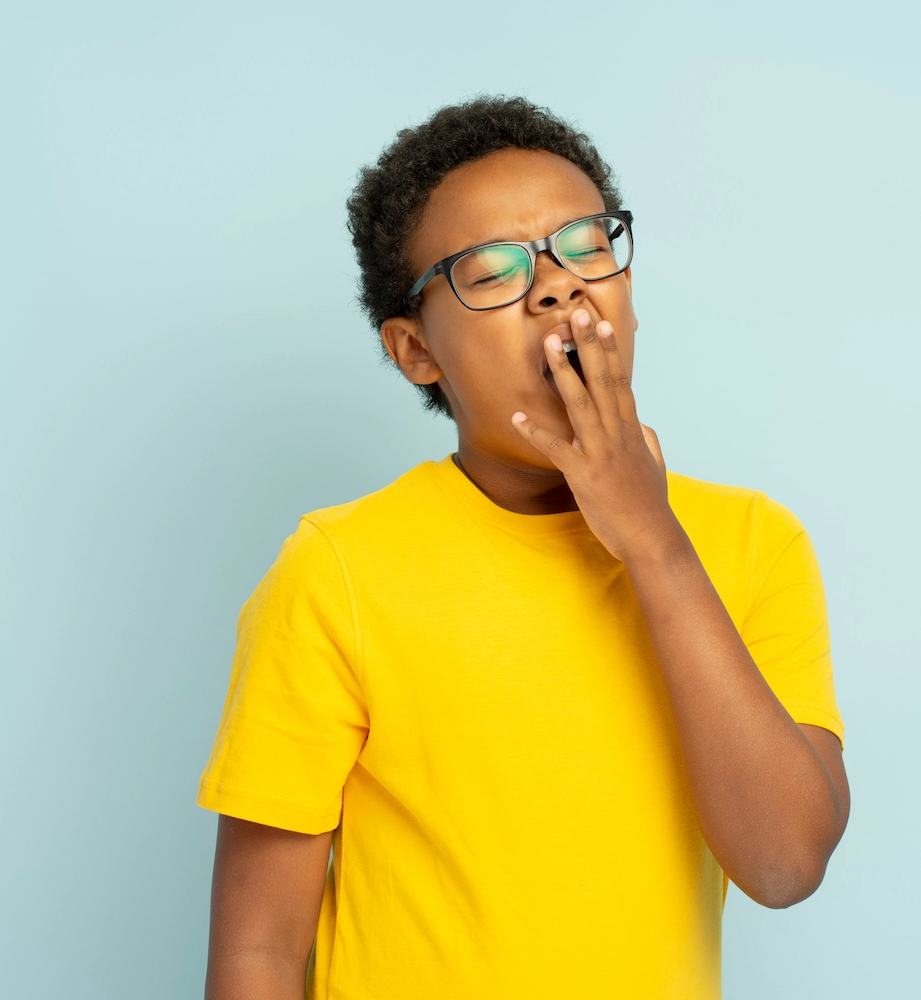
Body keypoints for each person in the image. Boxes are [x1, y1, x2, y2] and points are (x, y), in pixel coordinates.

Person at [198, 96, 848, 1000]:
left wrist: (654, 542)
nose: (557, 284)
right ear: (416, 350)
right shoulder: (338, 571)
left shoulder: (750, 544)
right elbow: (258, 952)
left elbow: (784, 865)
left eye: (585, 244)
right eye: (492, 270)